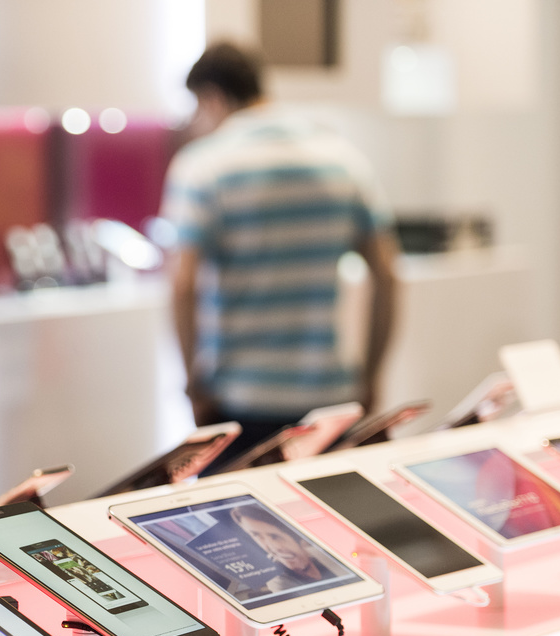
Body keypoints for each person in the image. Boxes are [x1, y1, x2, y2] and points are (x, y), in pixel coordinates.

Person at [161, 43, 400, 466]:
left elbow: (182, 287)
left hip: (240, 401)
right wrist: (371, 375)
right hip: (332, 399)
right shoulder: (343, 160)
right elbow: (387, 274)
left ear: (213, 97)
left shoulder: (203, 167)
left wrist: (194, 386)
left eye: (197, 109)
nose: (197, 123)